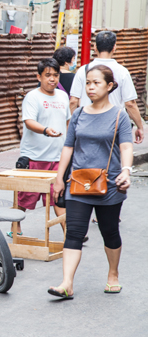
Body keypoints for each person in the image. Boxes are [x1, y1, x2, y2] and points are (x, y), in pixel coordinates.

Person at [49, 65, 133, 299]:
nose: (91, 87)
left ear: (109, 86)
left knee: (109, 231)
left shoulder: (119, 115)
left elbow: (126, 146)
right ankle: (67, 283)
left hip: (109, 184)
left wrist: (126, 170)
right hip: (78, 183)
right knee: (74, 233)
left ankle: (113, 275)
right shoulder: (79, 113)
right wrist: (59, 178)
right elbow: (68, 146)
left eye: (96, 82)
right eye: (88, 82)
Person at [14, 58, 71, 237]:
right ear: (39, 77)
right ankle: (15, 228)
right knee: (25, 197)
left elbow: (67, 121)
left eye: (55, 75)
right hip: (34, 157)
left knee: (58, 199)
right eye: (48, 75)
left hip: (57, 158)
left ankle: (70, 234)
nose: (52, 79)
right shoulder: (32, 97)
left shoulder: (62, 95)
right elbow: (29, 122)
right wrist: (46, 130)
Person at [69, 31, 144, 144]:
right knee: (111, 158)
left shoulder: (83, 71)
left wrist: (71, 126)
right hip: (113, 125)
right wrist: (140, 127)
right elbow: (130, 104)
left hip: (86, 124)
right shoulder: (122, 71)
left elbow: (73, 101)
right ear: (114, 47)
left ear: (95, 47)